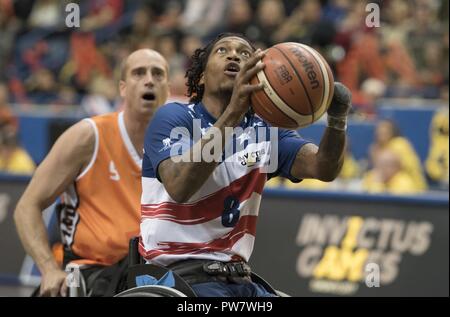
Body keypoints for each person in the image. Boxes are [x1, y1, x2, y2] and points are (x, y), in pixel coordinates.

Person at [139, 33, 351, 297]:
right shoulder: (174, 116)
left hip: (239, 280)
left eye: (245, 53)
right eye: (222, 50)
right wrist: (234, 112)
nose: (234, 55)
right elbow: (179, 186)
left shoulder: (265, 133)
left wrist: (337, 120)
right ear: (202, 77)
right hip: (178, 278)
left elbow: (323, 167)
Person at [14, 49, 170, 297]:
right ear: (122, 87)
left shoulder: (180, 147)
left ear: (168, 90)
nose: (149, 80)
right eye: (138, 73)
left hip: (152, 277)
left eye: (158, 74)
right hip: (91, 274)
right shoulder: (88, 136)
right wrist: (48, 269)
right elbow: (26, 207)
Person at [369, 119, 427, 191]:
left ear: (392, 131)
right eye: (379, 130)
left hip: (412, 186)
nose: (381, 132)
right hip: (388, 184)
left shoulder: (399, 144)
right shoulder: (376, 147)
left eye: (385, 130)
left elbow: (395, 167)